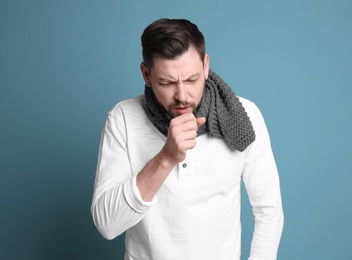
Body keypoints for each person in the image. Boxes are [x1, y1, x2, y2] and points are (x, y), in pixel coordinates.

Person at [91, 18, 284, 260]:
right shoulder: (123, 119)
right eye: (167, 82)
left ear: (205, 66)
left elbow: (269, 210)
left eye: (192, 80)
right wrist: (165, 158)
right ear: (146, 75)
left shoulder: (244, 117)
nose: (182, 96)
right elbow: (107, 225)